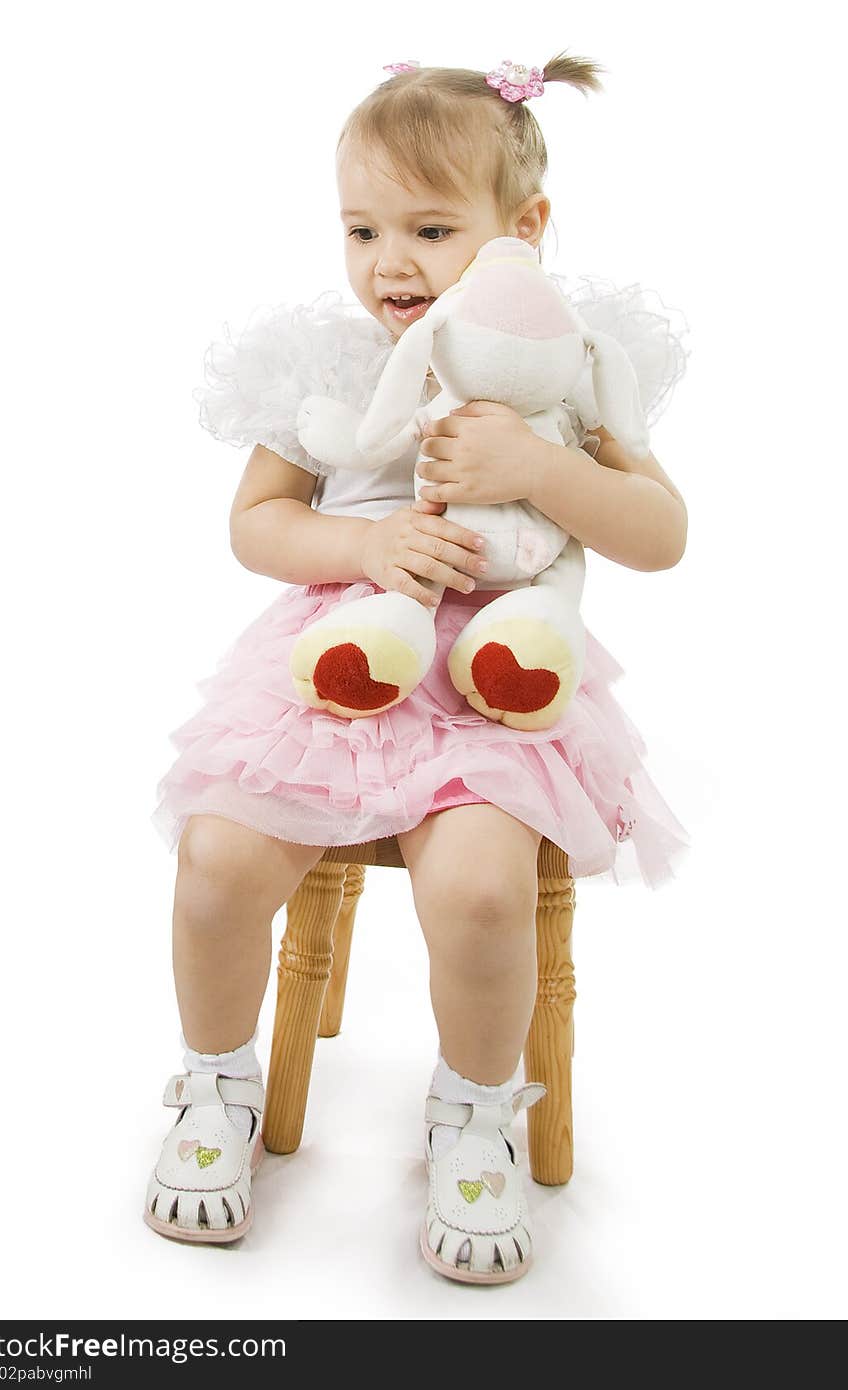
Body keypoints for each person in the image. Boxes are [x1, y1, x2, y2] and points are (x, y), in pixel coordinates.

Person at [144, 52, 691, 1284]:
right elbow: (257, 526)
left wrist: (546, 473)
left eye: (430, 228)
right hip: (339, 662)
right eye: (362, 228)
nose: (390, 262)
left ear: (524, 229)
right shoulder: (329, 366)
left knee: (486, 889)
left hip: (503, 682)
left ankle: (475, 1104)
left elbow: (661, 535)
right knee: (219, 857)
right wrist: (362, 539)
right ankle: (216, 1083)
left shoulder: (568, 369)